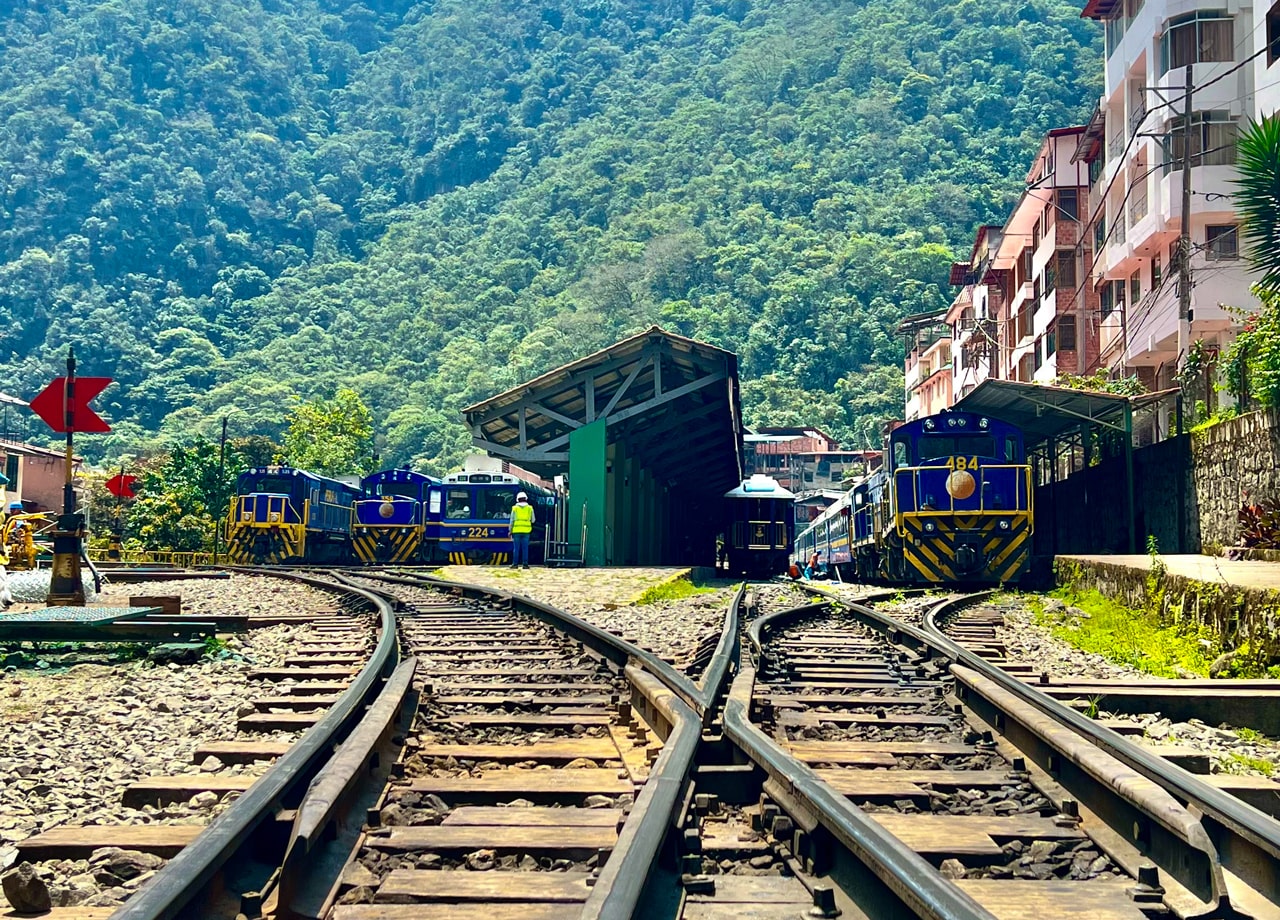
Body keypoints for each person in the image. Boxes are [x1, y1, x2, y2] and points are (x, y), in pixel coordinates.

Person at [509, 491, 535, 569]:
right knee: (525, 548)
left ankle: (515, 564)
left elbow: (512, 520)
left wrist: (510, 530)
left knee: (516, 548)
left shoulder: (514, 508)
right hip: (526, 531)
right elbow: (533, 520)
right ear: (526, 499)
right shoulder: (530, 508)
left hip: (516, 531)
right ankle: (525, 564)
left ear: (517, 499)